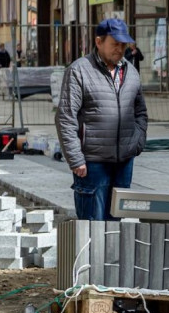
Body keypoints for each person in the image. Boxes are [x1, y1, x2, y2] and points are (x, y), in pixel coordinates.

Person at [55, 18, 148, 221]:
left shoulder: (131, 72)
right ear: (99, 42)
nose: (120, 49)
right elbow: (66, 117)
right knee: (92, 226)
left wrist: (137, 142)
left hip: (124, 163)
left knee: (115, 227)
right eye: (115, 44)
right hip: (92, 164)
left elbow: (140, 112)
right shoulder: (79, 71)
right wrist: (75, 158)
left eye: (123, 45)